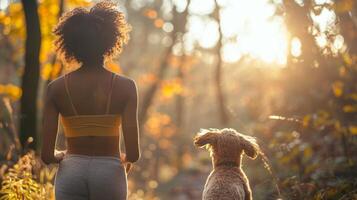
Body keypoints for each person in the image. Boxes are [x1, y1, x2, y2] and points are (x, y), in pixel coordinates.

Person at [40, 2, 140, 200]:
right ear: (110, 41)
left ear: (71, 43)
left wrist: (60, 155)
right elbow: (133, 154)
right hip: (109, 173)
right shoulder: (127, 87)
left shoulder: (56, 89)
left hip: (71, 172)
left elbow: (46, 156)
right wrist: (124, 160)